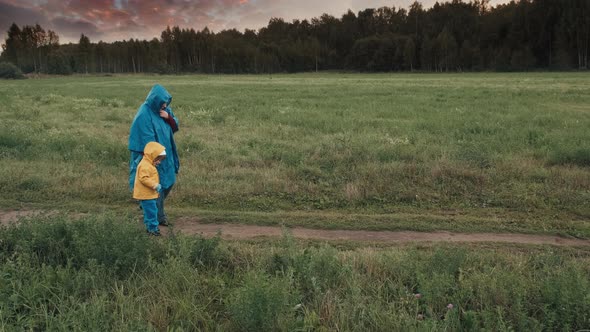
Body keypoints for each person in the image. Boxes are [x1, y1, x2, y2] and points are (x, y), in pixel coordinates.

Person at [129, 84, 179, 226]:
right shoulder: (143, 115)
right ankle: (158, 218)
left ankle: (147, 205)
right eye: (162, 103)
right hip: (151, 158)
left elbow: (175, 125)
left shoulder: (163, 110)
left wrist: (168, 117)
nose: (165, 105)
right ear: (155, 100)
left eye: (166, 103)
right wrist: (154, 158)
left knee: (169, 181)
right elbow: (145, 141)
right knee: (156, 186)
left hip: (165, 154)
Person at [133, 142, 166, 236]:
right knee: (152, 212)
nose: (159, 162)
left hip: (148, 194)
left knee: (149, 212)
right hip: (146, 195)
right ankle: (153, 229)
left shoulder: (148, 164)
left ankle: (150, 228)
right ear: (152, 155)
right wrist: (155, 185)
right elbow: (143, 178)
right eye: (158, 159)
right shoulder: (145, 165)